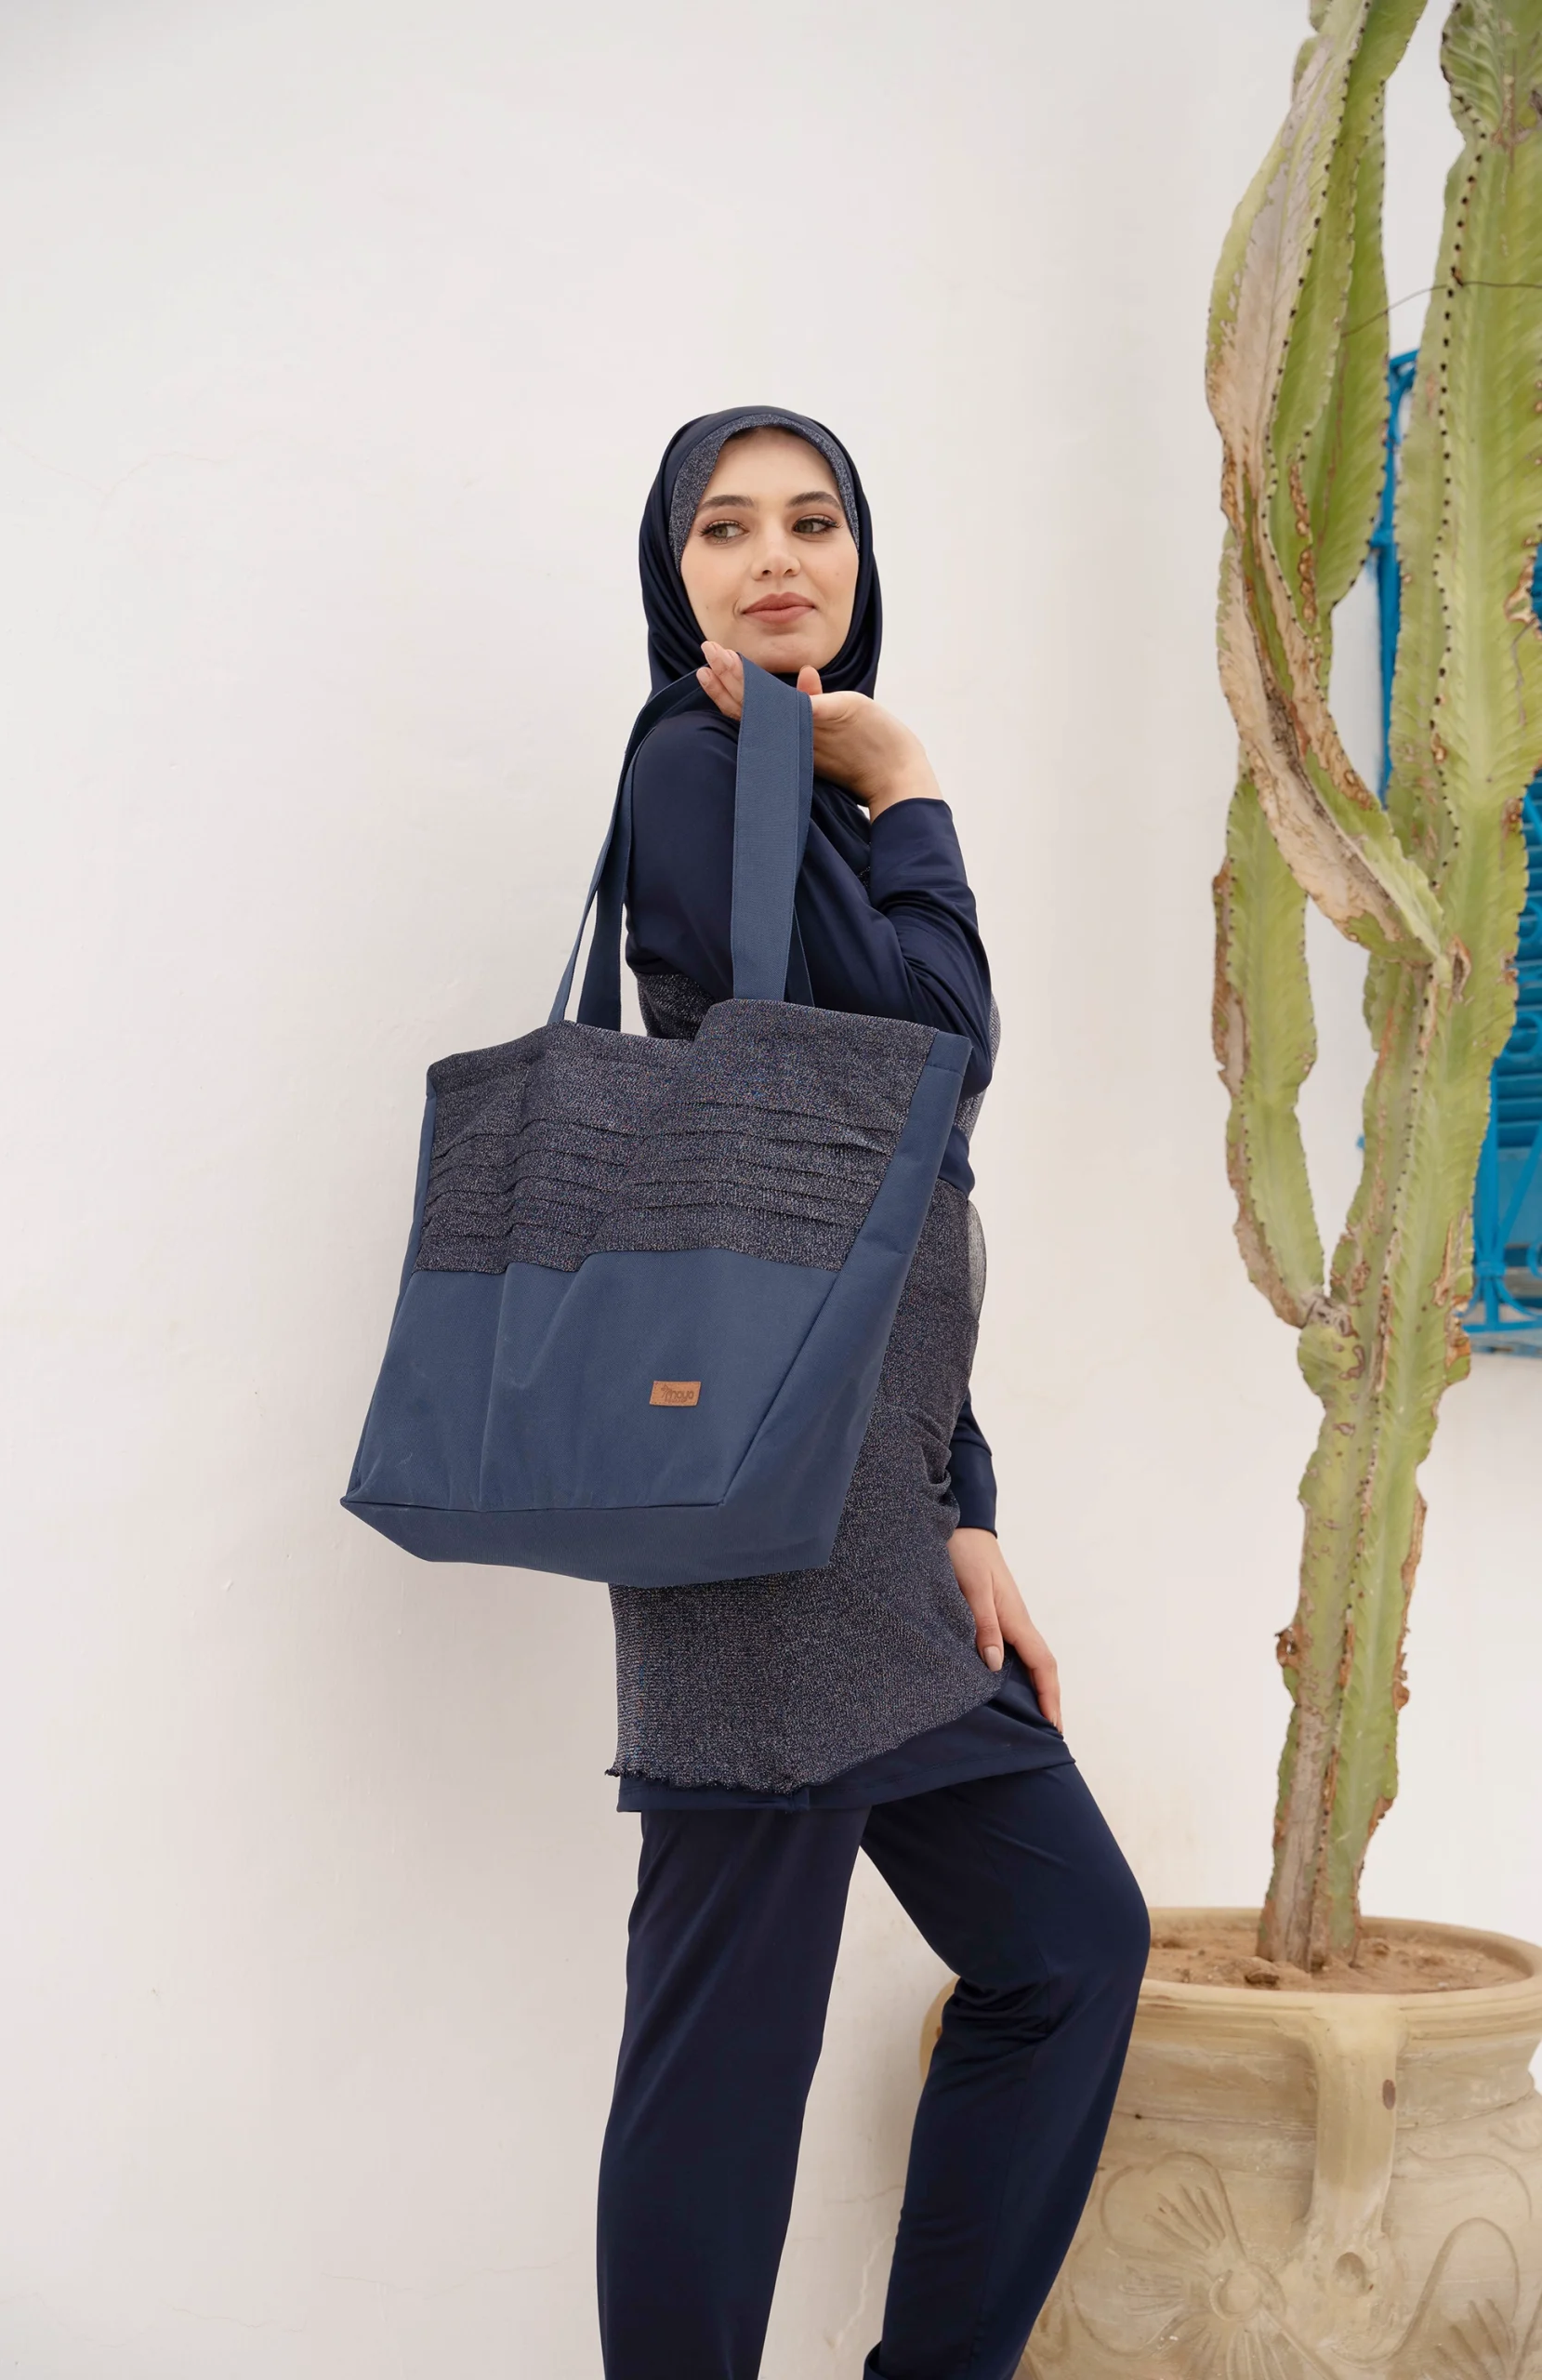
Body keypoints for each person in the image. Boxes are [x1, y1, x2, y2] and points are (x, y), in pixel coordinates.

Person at [595, 406, 1149, 2380]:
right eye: (724, 526)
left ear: (856, 555)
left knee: (1068, 1946)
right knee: (723, 2059)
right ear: (671, 574)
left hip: (883, 1520)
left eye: (813, 519)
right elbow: (937, 1058)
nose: (776, 556)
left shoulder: (800, 801)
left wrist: (963, 1502)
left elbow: (905, 1203)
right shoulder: (694, 767)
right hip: (755, 1510)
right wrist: (912, 783)